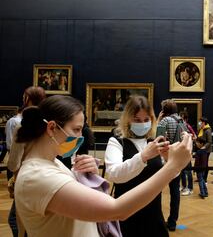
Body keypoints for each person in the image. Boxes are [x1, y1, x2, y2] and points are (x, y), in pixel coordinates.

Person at [13, 95, 192, 237]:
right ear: (52, 128)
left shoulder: (53, 163)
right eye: (76, 130)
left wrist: (87, 176)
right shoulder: (37, 175)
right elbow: (117, 210)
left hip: (153, 216)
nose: (79, 137)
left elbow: (76, 200)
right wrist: (173, 166)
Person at [105, 95, 169, 236]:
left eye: (146, 120)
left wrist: (170, 159)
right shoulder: (117, 141)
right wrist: (143, 156)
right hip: (126, 214)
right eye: (137, 120)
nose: (142, 124)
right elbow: (115, 174)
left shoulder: (154, 141)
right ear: (128, 119)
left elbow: (169, 175)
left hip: (154, 213)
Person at [6, 86, 46, 237]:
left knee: (15, 221)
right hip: (47, 175)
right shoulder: (48, 123)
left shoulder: (20, 124)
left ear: (27, 98)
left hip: (25, 177)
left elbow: (14, 163)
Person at [157, 99, 188, 231]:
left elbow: (157, 139)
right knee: (175, 192)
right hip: (177, 160)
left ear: (164, 110)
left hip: (164, 159)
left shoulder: (164, 121)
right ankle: (172, 222)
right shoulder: (182, 121)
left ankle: (157, 219)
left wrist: (158, 120)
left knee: (155, 190)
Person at [179, 111, 195, 196]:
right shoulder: (180, 127)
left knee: (188, 171)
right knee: (182, 170)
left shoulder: (187, 126)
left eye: (181, 117)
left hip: (187, 152)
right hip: (182, 151)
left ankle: (190, 188)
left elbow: (194, 136)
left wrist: (189, 136)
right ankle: (184, 186)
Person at [197, 116, 212, 183]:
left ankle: (205, 179)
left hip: (206, 150)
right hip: (201, 149)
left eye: (200, 122)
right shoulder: (201, 129)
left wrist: (204, 147)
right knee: (200, 164)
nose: (199, 123)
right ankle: (200, 177)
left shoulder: (208, 130)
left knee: (205, 164)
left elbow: (209, 141)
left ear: (204, 122)